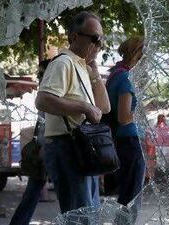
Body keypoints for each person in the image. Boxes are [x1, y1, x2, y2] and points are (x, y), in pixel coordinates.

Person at [35, 11, 110, 214]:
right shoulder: (63, 63)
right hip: (67, 145)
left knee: (88, 213)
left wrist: (96, 76)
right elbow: (42, 100)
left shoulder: (80, 66)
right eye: (95, 39)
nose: (99, 45)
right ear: (75, 37)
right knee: (81, 215)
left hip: (81, 146)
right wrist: (84, 107)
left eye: (101, 40)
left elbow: (104, 109)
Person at [106, 36, 146, 224]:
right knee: (131, 201)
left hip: (123, 142)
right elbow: (123, 117)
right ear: (138, 54)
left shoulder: (116, 74)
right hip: (130, 142)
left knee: (126, 198)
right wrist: (140, 112)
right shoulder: (125, 78)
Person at [9, 59, 53, 225]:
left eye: (42, 73)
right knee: (33, 191)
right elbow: (44, 122)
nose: (40, 77)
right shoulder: (47, 90)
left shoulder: (51, 89)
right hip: (47, 148)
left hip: (50, 147)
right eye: (39, 74)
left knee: (34, 191)